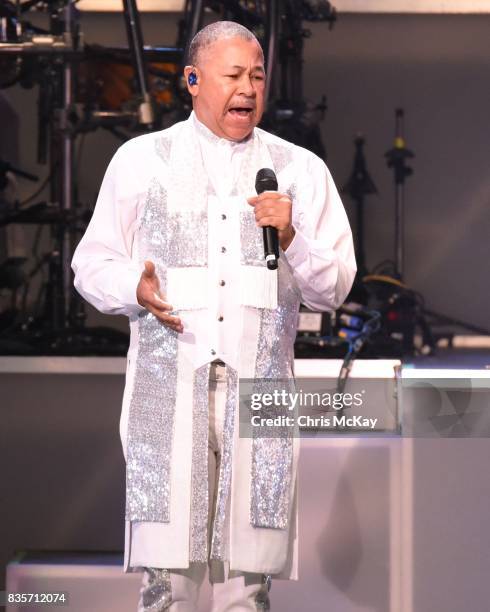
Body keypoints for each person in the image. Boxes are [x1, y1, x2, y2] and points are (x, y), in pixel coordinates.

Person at [72, 20, 356, 612]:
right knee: (167, 583)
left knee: (247, 585)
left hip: (261, 395)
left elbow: (335, 288)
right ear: (193, 80)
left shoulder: (299, 170)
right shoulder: (141, 160)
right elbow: (90, 264)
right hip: (168, 392)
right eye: (233, 75)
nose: (248, 89)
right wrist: (135, 286)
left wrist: (293, 235)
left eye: (256, 76)